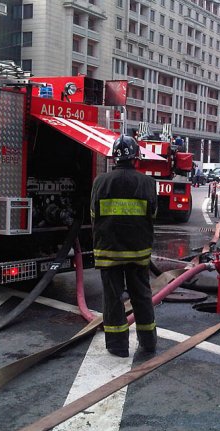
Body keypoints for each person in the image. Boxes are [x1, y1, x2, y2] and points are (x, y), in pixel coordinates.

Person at [90, 135, 158, 357]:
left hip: (108, 251)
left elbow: (93, 214)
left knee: (112, 298)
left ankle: (118, 346)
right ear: (135, 156)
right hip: (138, 252)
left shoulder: (100, 182)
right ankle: (148, 342)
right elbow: (153, 214)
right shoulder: (148, 183)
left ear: (114, 157)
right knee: (141, 296)